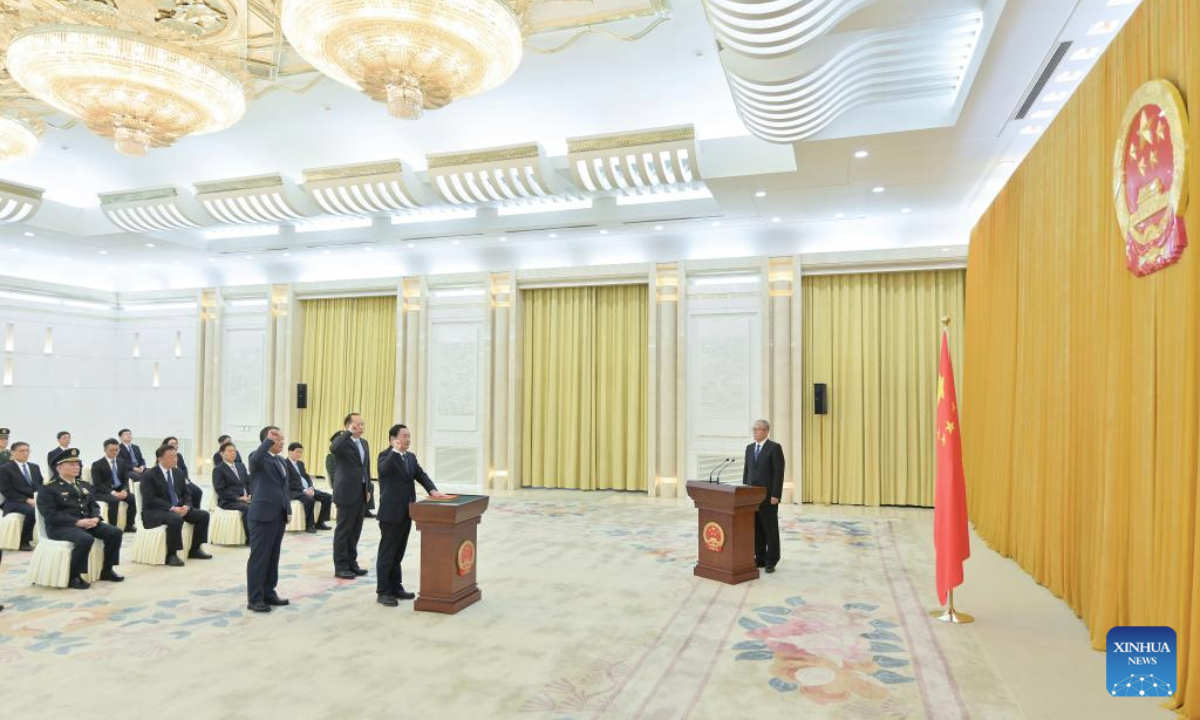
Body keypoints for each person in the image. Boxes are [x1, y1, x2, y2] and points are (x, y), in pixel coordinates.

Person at [375, 424, 445, 606]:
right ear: (393, 439)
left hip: (407, 512)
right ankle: (382, 591)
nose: (408, 439)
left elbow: (421, 475)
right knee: (387, 553)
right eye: (404, 436)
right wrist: (394, 451)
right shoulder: (385, 456)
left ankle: (396, 587)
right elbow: (383, 470)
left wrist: (433, 490)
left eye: (409, 436)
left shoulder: (410, 457)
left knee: (398, 553)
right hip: (390, 514)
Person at [37, 448, 124, 588]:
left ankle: (107, 570)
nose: (76, 467)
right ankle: (73, 576)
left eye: (77, 464)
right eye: (71, 464)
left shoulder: (83, 485)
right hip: (61, 527)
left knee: (115, 532)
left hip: (87, 523)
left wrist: (96, 518)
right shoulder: (48, 488)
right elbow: (50, 514)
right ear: (59, 467)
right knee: (85, 539)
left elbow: (94, 505)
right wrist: (77, 522)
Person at [245, 426, 292, 613]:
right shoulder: (257, 457)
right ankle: (255, 599)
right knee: (259, 558)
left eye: (282, 438)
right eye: (277, 439)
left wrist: (287, 510)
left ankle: (269, 592)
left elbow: (284, 488)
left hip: (278, 514)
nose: (281, 442)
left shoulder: (281, 460)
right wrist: (267, 442)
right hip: (262, 515)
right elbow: (256, 458)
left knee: (273, 557)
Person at [141, 445, 211, 566]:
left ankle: (195, 549)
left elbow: (187, 493)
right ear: (160, 459)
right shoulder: (149, 475)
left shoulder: (178, 472)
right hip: (155, 511)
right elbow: (150, 499)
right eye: (170, 457)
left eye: (175, 456)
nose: (174, 460)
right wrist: (172, 508)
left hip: (178, 508)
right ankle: (171, 554)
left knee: (203, 515)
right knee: (175, 519)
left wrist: (187, 506)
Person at [329, 413, 371, 580]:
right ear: (349, 425)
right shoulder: (342, 442)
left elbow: (365, 468)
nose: (361, 427)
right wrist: (347, 432)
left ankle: (352, 564)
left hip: (361, 492)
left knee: (355, 531)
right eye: (358, 424)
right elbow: (334, 449)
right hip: (346, 492)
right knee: (343, 531)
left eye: (362, 424)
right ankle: (341, 566)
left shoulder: (364, 443)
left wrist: (368, 488)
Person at [743, 419, 785, 573]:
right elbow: (746, 472)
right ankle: (759, 557)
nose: (755, 432)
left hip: (768, 497)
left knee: (770, 529)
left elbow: (778, 473)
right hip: (752, 497)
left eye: (758, 429)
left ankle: (771, 560)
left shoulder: (774, 448)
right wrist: (744, 492)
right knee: (756, 529)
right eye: (753, 429)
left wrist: (776, 494)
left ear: (766, 431)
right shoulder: (749, 448)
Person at [0, 441, 42, 550]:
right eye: (22, 451)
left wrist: (40, 498)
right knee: (32, 511)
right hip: (14, 501)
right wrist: (27, 500)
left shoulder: (34, 467)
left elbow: (40, 485)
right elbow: (7, 491)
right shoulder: (5, 469)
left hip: (34, 499)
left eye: (28, 451)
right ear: (12, 453)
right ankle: (24, 541)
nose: (25, 453)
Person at [90, 439, 137, 532]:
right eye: (111, 450)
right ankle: (113, 528)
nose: (114, 452)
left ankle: (129, 525)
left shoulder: (121, 462)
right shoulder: (97, 464)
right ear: (105, 450)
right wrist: (113, 493)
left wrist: (124, 490)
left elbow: (125, 479)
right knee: (114, 500)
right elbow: (98, 484)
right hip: (102, 492)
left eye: (116, 450)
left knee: (133, 498)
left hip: (119, 490)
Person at [284, 443, 332, 533]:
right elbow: (289, 482)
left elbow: (306, 477)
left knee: (328, 497)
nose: (299, 454)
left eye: (301, 452)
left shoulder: (300, 464)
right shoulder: (285, 464)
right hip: (294, 491)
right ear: (290, 451)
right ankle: (309, 525)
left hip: (307, 489)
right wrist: (304, 490)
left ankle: (320, 522)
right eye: (297, 452)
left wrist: (310, 487)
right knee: (309, 500)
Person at [212, 441, 252, 538]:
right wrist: (239, 498)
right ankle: (250, 538)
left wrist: (251, 494)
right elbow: (220, 490)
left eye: (234, 451)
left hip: (246, 498)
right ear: (221, 453)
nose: (233, 453)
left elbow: (248, 482)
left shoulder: (240, 466)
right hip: (228, 500)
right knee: (248, 508)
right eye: (229, 451)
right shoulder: (218, 469)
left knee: (262, 504)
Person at [162, 436, 203, 509]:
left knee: (198, 491)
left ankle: (195, 510)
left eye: (176, 443)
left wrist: (186, 478)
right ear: (166, 445)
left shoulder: (179, 456)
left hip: (183, 480)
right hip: (172, 482)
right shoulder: (162, 456)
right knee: (187, 493)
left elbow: (184, 469)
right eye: (172, 443)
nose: (175, 445)